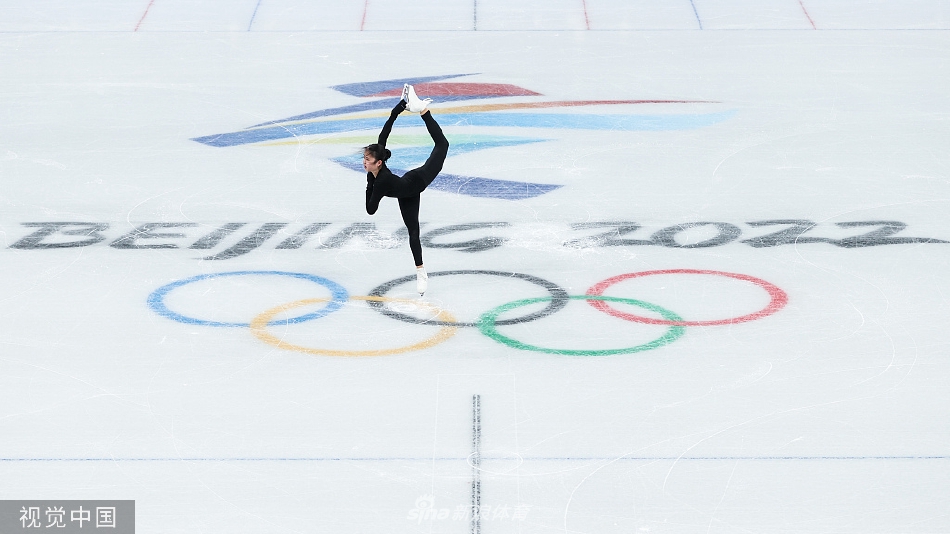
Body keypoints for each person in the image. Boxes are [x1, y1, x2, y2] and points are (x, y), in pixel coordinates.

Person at [364, 85, 449, 296]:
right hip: (405, 194)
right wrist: (399, 108)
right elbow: (385, 132)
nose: (364, 162)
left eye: (368, 160)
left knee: (443, 145)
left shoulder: (380, 180)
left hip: (417, 180)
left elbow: (371, 208)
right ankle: (421, 272)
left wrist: (370, 185)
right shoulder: (378, 174)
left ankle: (422, 110)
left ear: (379, 163)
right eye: (364, 159)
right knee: (414, 232)